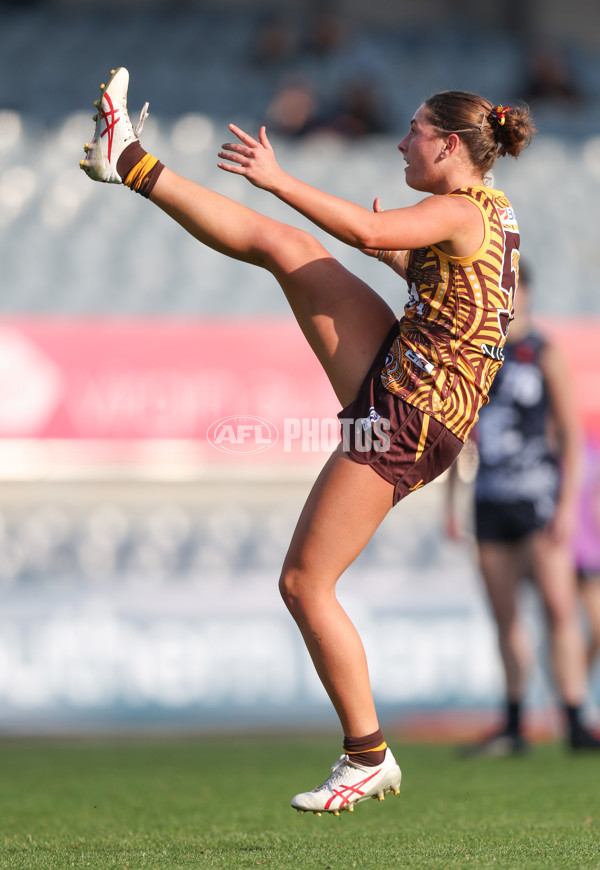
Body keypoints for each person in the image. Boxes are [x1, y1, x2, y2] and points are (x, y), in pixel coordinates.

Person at [80, 68, 534, 813]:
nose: (401, 142)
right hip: (408, 384)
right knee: (282, 246)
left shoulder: (460, 209)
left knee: (304, 583)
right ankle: (128, 159)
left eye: (414, 131)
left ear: (448, 144)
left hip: (408, 416)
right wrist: (392, 254)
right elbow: (433, 276)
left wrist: (279, 177)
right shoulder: (490, 211)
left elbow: (370, 231)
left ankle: (367, 754)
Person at [447, 265, 600, 755]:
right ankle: (514, 724)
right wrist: (452, 502)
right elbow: (459, 433)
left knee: (559, 610)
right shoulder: (476, 355)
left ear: (527, 293)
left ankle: (574, 719)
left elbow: (572, 437)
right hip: (490, 501)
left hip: (538, 500)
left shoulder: (544, 353)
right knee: (505, 617)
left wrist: (566, 507)